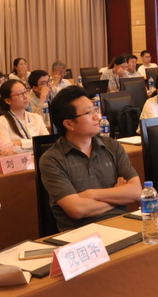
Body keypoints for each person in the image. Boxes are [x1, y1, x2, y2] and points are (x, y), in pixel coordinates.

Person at [40, 86, 140, 231]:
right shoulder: (52, 160)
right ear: (69, 124)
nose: (97, 117)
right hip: (82, 235)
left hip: (122, 225)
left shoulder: (112, 146)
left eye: (95, 110)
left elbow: (136, 191)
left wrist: (91, 194)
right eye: (88, 113)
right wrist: (117, 196)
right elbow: (77, 209)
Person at [0, 79, 49, 147]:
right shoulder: (1, 122)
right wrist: (36, 142)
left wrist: (19, 143)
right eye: (20, 94)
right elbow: (6, 147)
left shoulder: (36, 117)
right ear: (8, 100)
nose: (26, 96)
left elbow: (47, 142)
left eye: (25, 92)